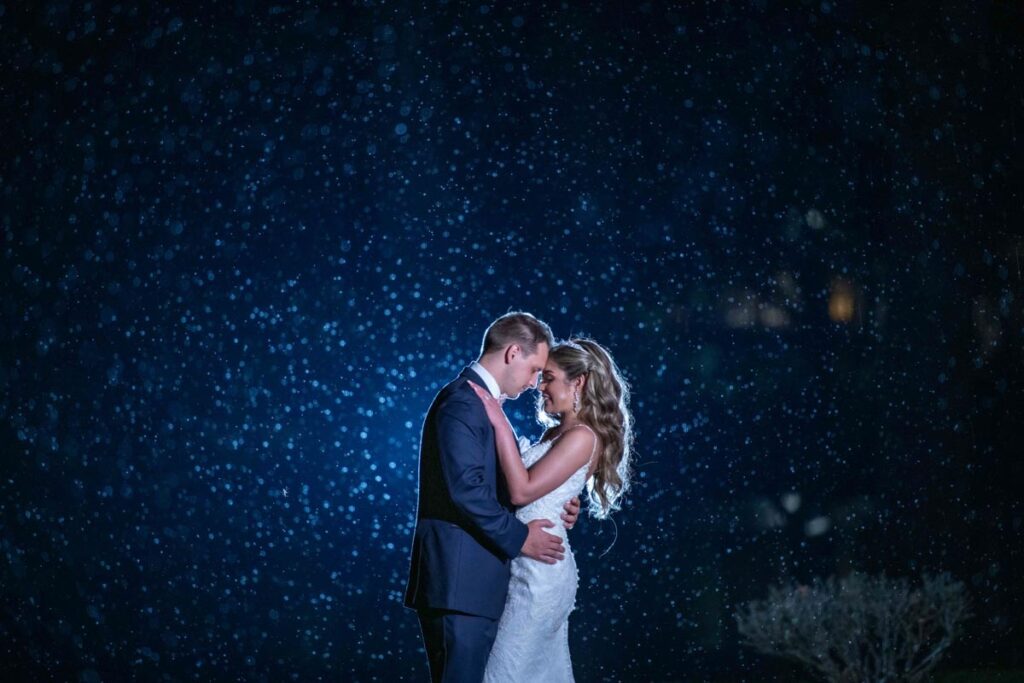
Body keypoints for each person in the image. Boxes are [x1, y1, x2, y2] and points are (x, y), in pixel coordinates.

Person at [404, 312, 582, 683]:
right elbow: (466, 491)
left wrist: (559, 499)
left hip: (475, 584)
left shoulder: (477, 402)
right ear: (513, 352)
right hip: (460, 584)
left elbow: (498, 484)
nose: (536, 383)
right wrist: (521, 538)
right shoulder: (463, 403)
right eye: (535, 369)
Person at [471, 337, 634, 683]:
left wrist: (500, 424)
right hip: (524, 562)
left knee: (504, 674)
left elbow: (521, 490)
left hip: (541, 574)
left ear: (579, 382)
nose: (539, 387)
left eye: (548, 378)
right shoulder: (557, 432)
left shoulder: (582, 437)